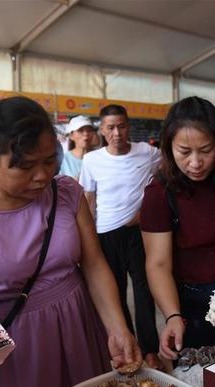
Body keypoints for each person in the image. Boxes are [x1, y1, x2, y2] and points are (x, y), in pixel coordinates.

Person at [0, 97, 141, 387]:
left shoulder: (67, 192)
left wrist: (118, 328)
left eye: (49, 160)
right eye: (25, 166)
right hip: (17, 359)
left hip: (79, 333)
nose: (42, 175)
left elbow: (95, 264)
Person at [140, 97, 215, 357]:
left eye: (205, 150)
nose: (195, 163)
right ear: (169, 146)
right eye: (184, 151)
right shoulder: (160, 193)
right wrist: (172, 316)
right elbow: (157, 264)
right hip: (197, 304)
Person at [79, 105, 163, 369]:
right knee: (114, 293)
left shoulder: (148, 153)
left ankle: (150, 350)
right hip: (105, 234)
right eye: (111, 127)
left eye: (122, 126)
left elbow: (166, 178)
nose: (117, 132)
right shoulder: (92, 160)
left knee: (144, 292)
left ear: (128, 126)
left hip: (138, 233)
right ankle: (129, 346)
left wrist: (147, 210)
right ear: (102, 131)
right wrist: (88, 238)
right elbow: (89, 200)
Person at [59, 115, 97, 180]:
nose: (86, 134)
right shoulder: (63, 160)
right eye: (80, 130)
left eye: (89, 130)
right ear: (71, 136)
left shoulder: (99, 157)